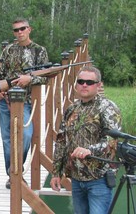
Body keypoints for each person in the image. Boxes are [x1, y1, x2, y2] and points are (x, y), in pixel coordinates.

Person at [50, 66, 122, 214]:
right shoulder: (71, 109)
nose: (84, 85)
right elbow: (61, 141)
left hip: (99, 179)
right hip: (76, 178)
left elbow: (112, 141)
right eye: (81, 81)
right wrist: (56, 173)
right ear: (76, 84)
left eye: (89, 82)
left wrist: (90, 150)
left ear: (98, 85)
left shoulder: (107, 108)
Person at [0, 18, 50, 189]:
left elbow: (46, 76)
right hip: (6, 101)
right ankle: (13, 175)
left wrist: (29, 78)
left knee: (25, 136)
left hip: (26, 102)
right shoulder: (8, 50)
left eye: (22, 29)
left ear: (29, 29)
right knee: (7, 139)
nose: (19, 32)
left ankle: (17, 168)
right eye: (16, 30)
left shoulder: (39, 51)